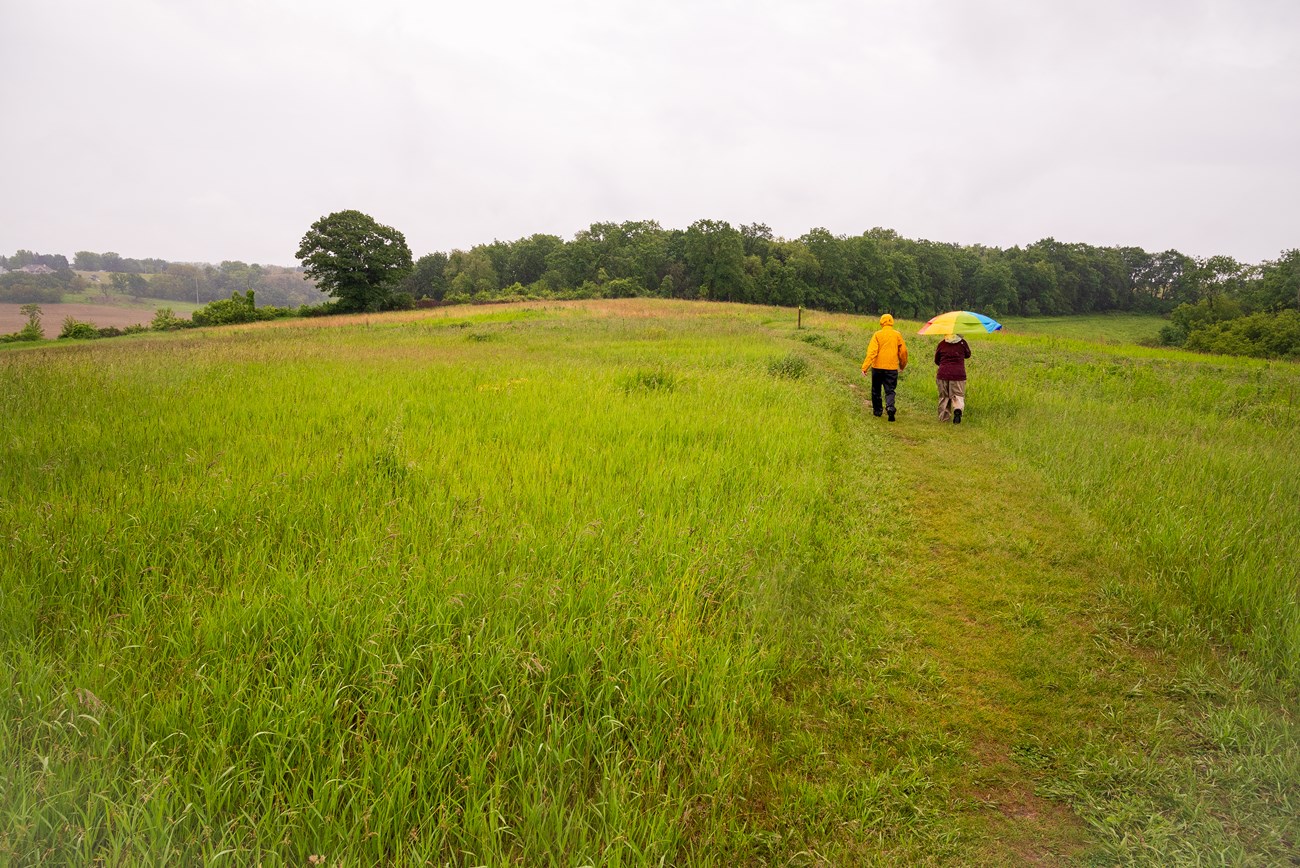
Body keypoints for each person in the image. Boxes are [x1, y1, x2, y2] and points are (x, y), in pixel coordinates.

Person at [862, 313, 908, 421]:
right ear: (892, 322)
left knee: (876, 390)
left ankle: (877, 411)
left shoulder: (877, 334)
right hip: (891, 368)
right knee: (890, 390)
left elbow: (872, 352)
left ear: (881, 322)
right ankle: (890, 407)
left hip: (877, 368)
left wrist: (865, 367)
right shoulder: (897, 335)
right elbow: (903, 352)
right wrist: (902, 365)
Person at [934, 332, 972, 424]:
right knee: (958, 395)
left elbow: (936, 360)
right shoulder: (962, 343)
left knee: (944, 397)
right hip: (958, 375)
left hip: (943, 374)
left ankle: (944, 419)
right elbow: (968, 355)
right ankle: (957, 409)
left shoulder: (942, 344)